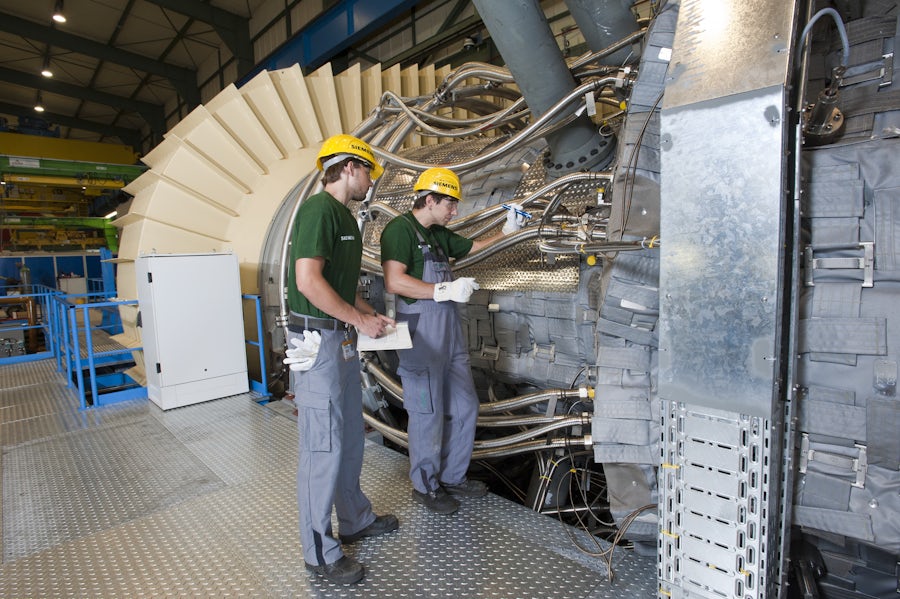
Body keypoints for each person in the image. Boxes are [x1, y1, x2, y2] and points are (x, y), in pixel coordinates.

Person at [379, 167, 528, 514]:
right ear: (429, 200)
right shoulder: (399, 230)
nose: (454, 211)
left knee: (465, 407)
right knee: (427, 413)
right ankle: (425, 485)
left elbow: (473, 246)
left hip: (450, 334)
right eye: (450, 204)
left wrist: (506, 232)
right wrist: (443, 289)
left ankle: (452, 475)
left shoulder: (437, 234)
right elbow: (394, 282)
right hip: (420, 335)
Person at [287, 134, 399, 585]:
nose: (371, 181)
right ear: (350, 167)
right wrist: (357, 317)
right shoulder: (318, 210)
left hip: (343, 342)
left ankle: (354, 519)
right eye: (368, 171)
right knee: (322, 447)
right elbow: (309, 281)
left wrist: (365, 313)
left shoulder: (345, 217)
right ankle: (319, 553)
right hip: (318, 344)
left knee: (350, 436)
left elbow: (336, 282)